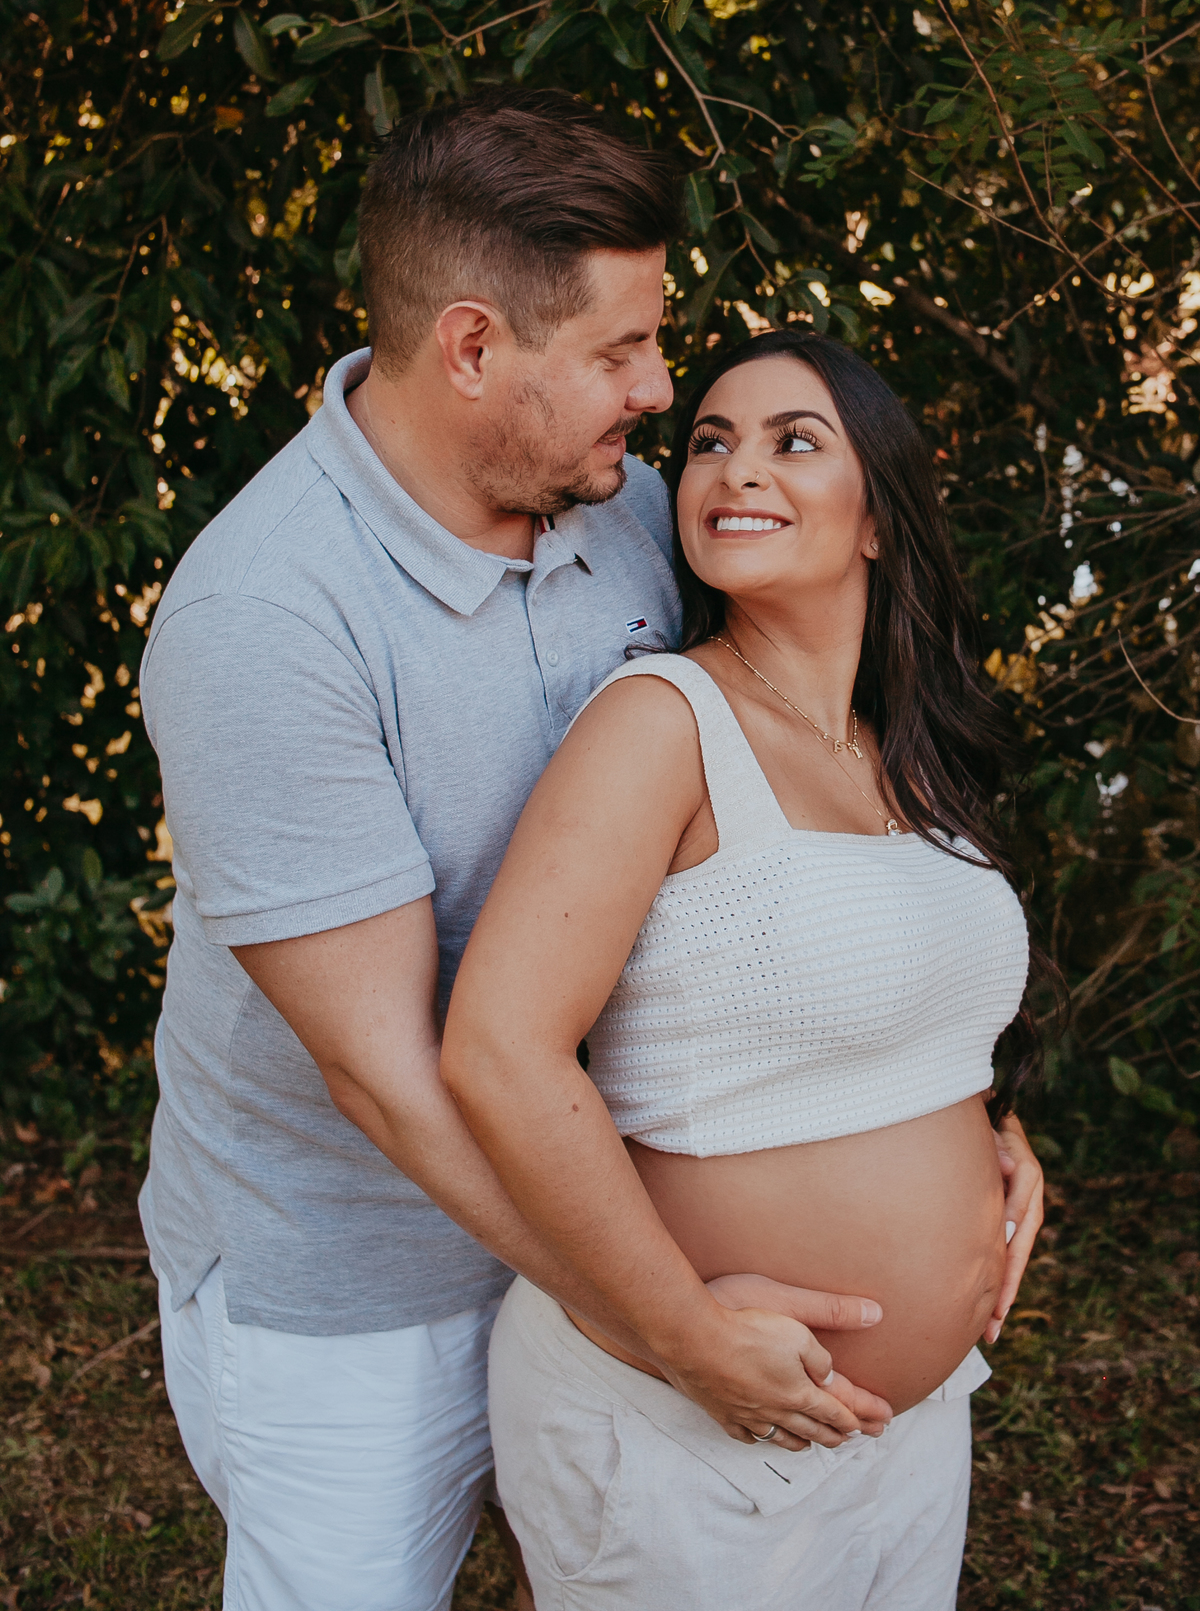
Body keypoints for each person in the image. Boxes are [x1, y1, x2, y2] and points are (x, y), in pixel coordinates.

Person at [137, 89, 697, 1611]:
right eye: (617, 352)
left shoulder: (629, 505)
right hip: (360, 1291)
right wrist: (664, 1320)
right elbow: (385, 1072)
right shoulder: (267, 620)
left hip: (606, 1217)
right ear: (470, 347)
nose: (657, 389)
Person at [442, 329, 1048, 1611]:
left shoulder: (908, 754)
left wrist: (987, 1128)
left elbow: (905, 1004)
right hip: (689, 1418)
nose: (734, 471)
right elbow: (500, 1050)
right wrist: (688, 1334)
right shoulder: (662, 722)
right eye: (710, 441)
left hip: (910, 1428)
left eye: (793, 442)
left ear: (881, 517)